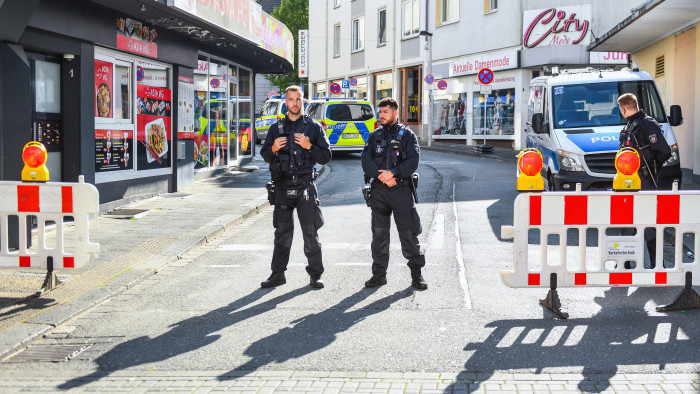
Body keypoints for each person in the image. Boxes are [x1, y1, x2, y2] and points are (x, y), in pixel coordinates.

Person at [260, 86, 332, 289]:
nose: (294, 103)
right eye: (290, 99)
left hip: (305, 187)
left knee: (310, 234)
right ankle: (278, 274)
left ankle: (315, 275)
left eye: (298, 99)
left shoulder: (313, 127)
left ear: (303, 102)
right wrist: (273, 149)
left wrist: (310, 146)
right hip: (282, 188)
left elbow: (327, 156)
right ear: (286, 102)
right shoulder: (277, 128)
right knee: (282, 234)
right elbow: (265, 154)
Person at [361, 97, 427, 290]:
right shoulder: (374, 136)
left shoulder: (407, 135)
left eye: (385, 112)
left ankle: (417, 276)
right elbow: (366, 160)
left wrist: (394, 174)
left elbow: (413, 162)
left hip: (402, 191)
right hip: (379, 192)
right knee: (379, 236)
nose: (382, 115)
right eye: (380, 112)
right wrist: (381, 176)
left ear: (395, 112)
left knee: (408, 235)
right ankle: (379, 275)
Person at [617, 92, 672, 268]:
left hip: (645, 181)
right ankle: (625, 264)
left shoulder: (647, 124)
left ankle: (657, 266)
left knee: (649, 224)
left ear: (623, 109)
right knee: (627, 224)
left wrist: (651, 168)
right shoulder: (631, 125)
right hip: (628, 182)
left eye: (620, 109)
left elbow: (664, 151)